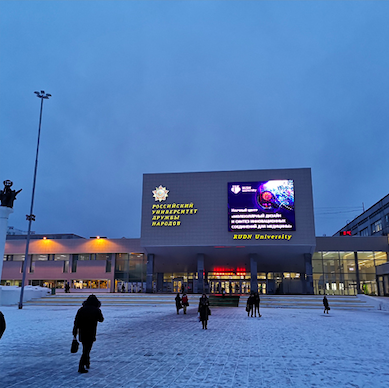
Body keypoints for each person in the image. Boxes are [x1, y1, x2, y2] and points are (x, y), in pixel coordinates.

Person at [73, 294, 104, 373]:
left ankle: (87, 362)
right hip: (91, 332)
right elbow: (101, 319)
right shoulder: (96, 310)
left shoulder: (81, 310)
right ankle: (81, 366)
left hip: (82, 332)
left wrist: (75, 333)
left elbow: (76, 322)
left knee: (85, 348)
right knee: (87, 350)